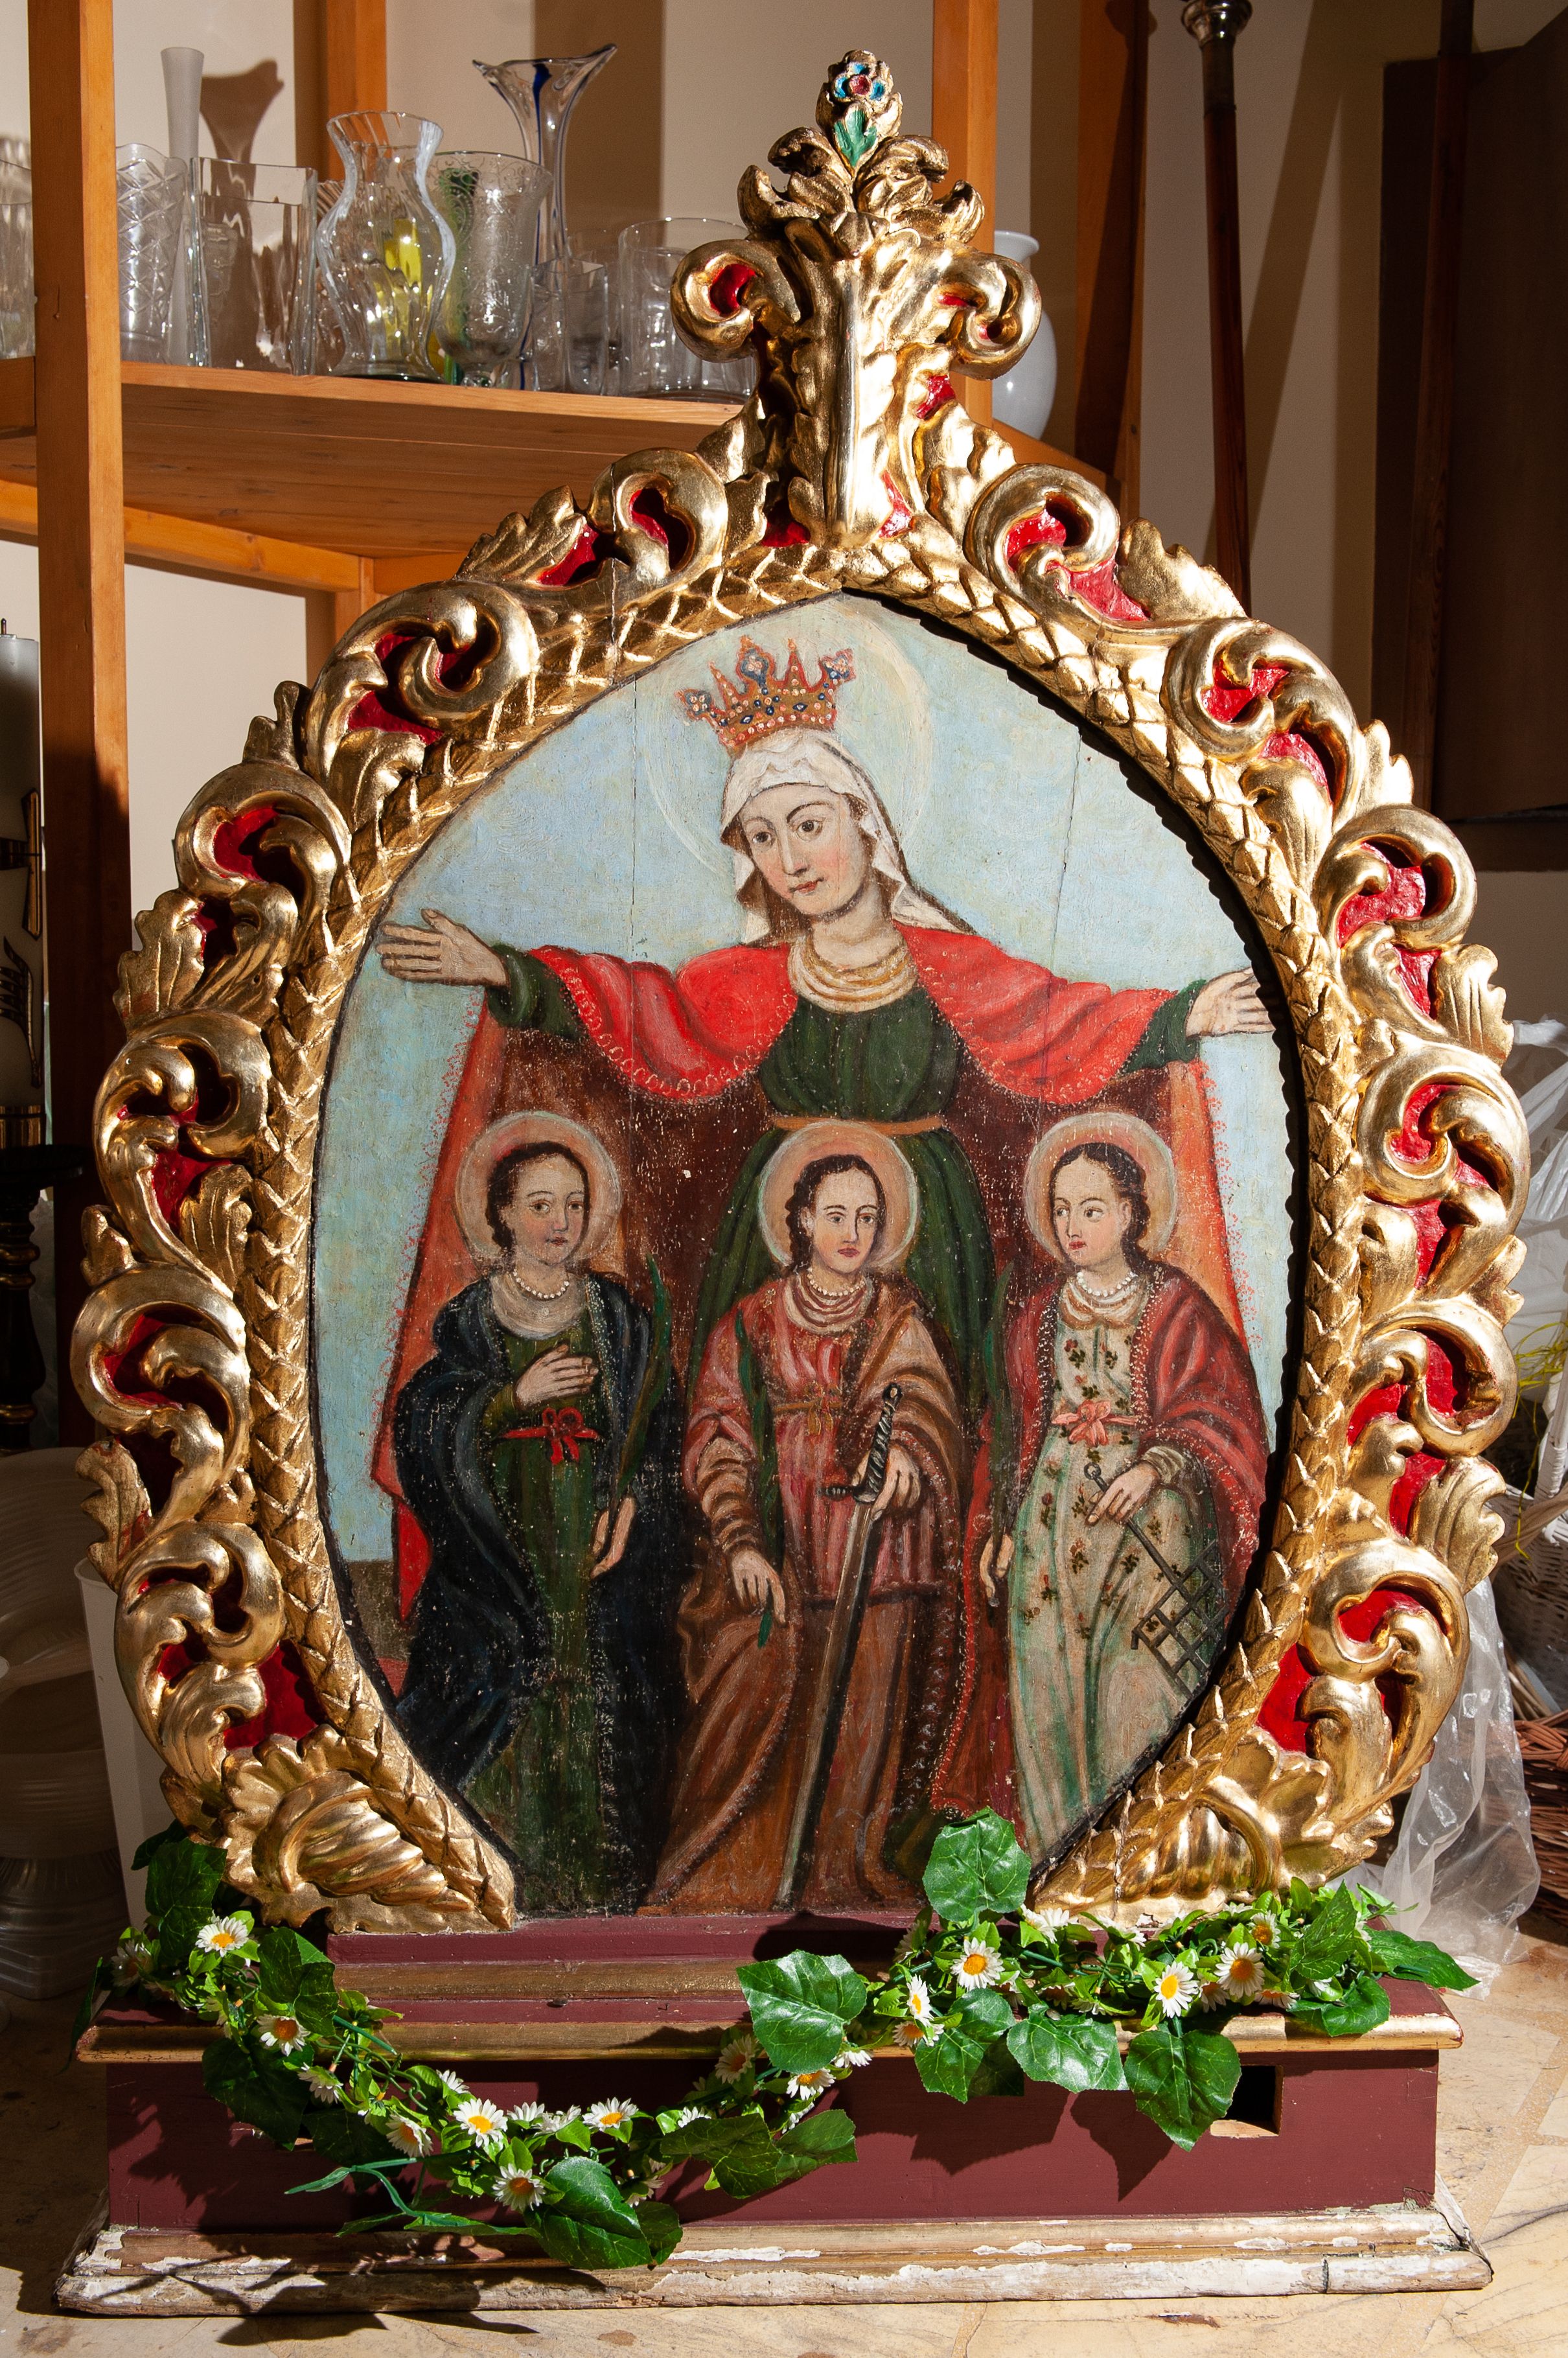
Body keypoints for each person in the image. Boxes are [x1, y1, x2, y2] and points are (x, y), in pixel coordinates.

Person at [376, 638, 1268, 1423]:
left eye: (809, 825)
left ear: (865, 825)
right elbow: (644, 1014)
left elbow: (1055, 1025)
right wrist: (509, 974)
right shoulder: (755, 976)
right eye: (763, 838)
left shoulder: (946, 964)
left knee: (927, 1424)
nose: (791, 859)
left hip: (928, 1227)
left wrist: (1182, 1016)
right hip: (781, 1222)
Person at [936, 1113, 1271, 1862]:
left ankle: (1132, 1863)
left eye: (1090, 1209)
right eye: (1060, 1210)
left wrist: (1155, 1465)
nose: (1071, 1227)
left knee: (1137, 1696)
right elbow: (1006, 1432)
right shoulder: (1035, 1315)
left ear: (1128, 1213)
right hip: (1049, 1538)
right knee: (1046, 1695)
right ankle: (1051, 1866)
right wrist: (998, 1526)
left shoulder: (1176, 1304)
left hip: (1147, 1539)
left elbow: (1223, 1413)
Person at [649, 1124, 965, 1912]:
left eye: (866, 1218)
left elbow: (924, 1404)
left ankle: (840, 1874)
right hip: (781, 1543)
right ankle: (744, 1875)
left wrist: (906, 1456)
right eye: (835, 1215)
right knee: (759, 1703)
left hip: (873, 1550)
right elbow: (718, 1436)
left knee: (863, 1718)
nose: (852, 1233)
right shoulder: (751, 1322)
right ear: (799, 1221)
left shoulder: (896, 1318)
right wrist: (739, 1540)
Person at [392, 1113, 685, 1913]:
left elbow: (657, 1429)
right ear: (501, 1216)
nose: (560, 1223)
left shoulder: (618, 1319)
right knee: (508, 1685)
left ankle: (598, 1888)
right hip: (504, 1550)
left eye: (574, 1205)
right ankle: (502, 1883)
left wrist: (631, 1502)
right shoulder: (471, 1319)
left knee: (601, 1700)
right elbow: (424, 1425)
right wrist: (509, 1399)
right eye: (540, 1205)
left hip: (595, 1547)